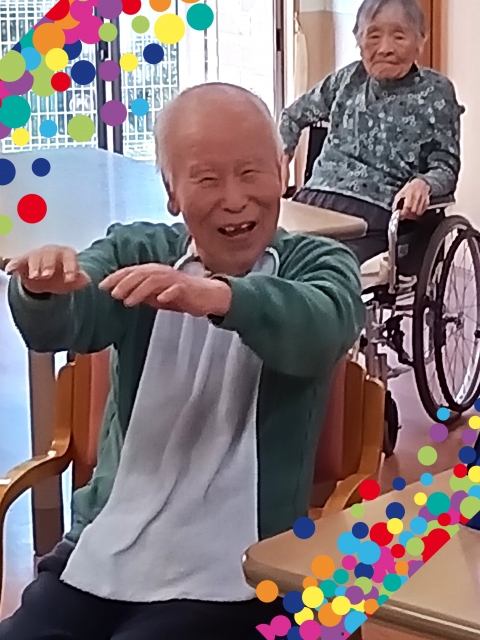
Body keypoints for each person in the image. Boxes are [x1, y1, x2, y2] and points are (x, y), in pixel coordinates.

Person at [2, 83, 365, 640]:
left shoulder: (318, 261)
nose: (234, 198)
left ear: (282, 172)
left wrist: (221, 298)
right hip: (108, 543)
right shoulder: (140, 250)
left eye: (251, 172)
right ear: (172, 192)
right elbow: (74, 313)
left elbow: (323, 325)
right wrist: (43, 290)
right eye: (206, 179)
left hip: (238, 566)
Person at [280, 0, 463, 265]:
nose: (385, 48)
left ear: (420, 41)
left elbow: (446, 166)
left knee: (320, 269)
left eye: (399, 36)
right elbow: (293, 116)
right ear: (358, 39)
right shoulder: (347, 79)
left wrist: (423, 183)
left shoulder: (436, 92)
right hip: (313, 202)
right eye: (374, 35)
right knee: (265, 256)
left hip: (376, 213)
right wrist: (282, 155)